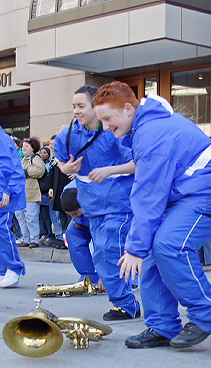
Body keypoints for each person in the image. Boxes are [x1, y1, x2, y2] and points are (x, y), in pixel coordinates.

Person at [94, 81, 211, 349]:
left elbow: (149, 196)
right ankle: (162, 326)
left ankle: (206, 314)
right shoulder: (145, 126)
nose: (105, 127)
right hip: (189, 191)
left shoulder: (151, 133)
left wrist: (134, 247)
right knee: (150, 251)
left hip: (207, 192)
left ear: (127, 109)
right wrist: (138, 247)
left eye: (107, 119)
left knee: (169, 245)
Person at [54, 85, 140, 321]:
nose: (76, 111)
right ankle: (126, 302)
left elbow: (139, 162)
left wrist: (109, 170)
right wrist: (65, 168)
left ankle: (126, 304)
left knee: (106, 252)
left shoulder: (114, 131)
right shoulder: (69, 134)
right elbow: (59, 159)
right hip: (92, 207)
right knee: (105, 255)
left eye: (81, 106)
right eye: (74, 106)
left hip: (120, 204)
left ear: (96, 107)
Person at [0, 127, 26, 288]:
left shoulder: (1, 138)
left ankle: (13, 268)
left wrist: (6, 190)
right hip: (5, 188)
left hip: (7, 190)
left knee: (3, 229)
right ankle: (4, 270)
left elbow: (6, 164)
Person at [61, 187, 100, 285]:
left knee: (103, 243)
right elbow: (74, 214)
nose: (73, 217)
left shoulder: (96, 195)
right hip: (85, 217)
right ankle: (89, 275)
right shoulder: (66, 194)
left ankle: (123, 276)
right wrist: (77, 219)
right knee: (72, 233)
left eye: (75, 213)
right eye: (70, 215)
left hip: (104, 215)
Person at [16, 137, 46, 249]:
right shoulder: (22, 159)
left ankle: (34, 239)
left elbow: (40, 170)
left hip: (31, 193)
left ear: (33, 148)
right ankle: (26, 238)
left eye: (27, 146)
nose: (24, 148)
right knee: (21, 217)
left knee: (31, 218)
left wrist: (26, 172)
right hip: (20, 193)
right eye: (23, 146)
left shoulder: (35, 158)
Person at [38, 146, 64, 247]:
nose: (42, 154)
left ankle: (61, 237)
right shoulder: (53, 161)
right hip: (50, 191)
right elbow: (51, 177)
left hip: (60, 192)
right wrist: (50, 187)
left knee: (56, 216)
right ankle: (57, 237)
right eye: (41, 152)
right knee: (50, 216)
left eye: (45, 152)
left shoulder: (57, 160)